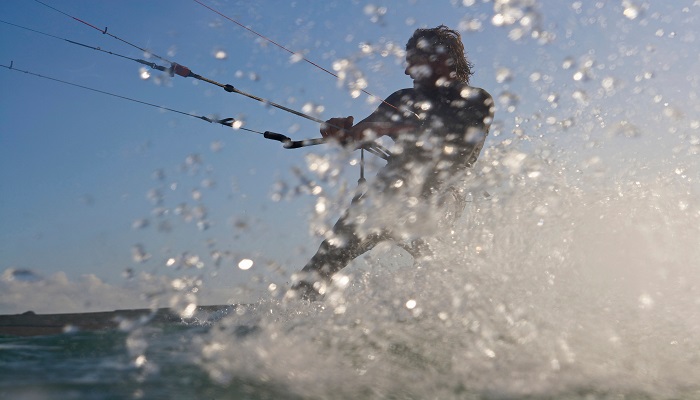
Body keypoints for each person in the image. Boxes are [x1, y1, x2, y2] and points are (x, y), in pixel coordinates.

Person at [288, 25, 494, 301]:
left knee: (434, 275)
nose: (407, 71)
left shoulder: (478, 100)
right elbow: (360, 133)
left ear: (441, 60)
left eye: (413, 62)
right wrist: (338, 131)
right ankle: (292, 319)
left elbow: (456, 149)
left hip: (439, 200)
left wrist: (397, 128)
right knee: (317, 270)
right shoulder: (401, 98)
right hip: (385, 196)